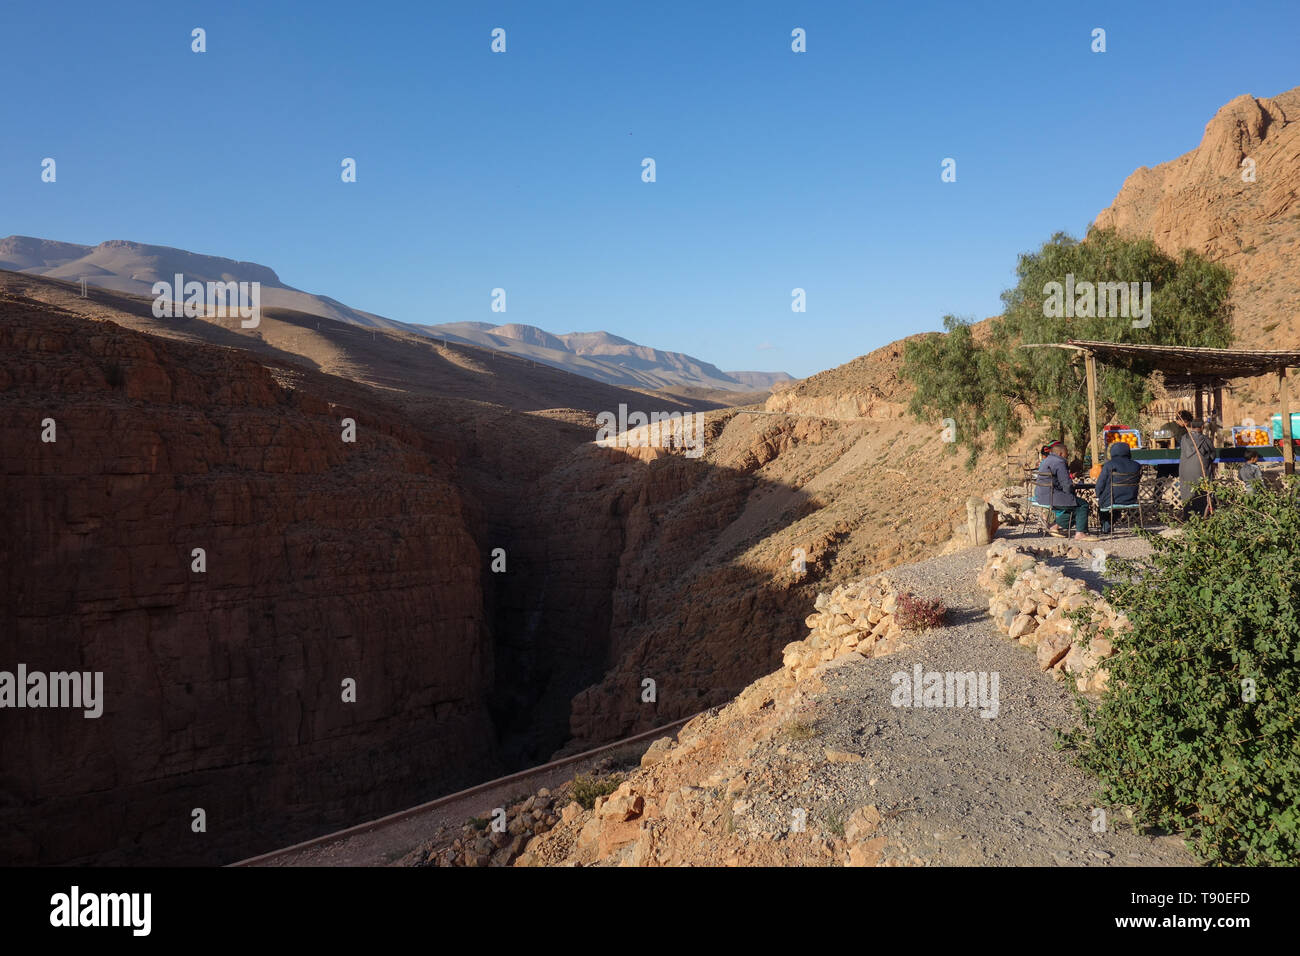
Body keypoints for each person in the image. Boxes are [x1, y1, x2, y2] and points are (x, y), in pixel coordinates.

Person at [1033, 440, 1094, 540]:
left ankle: (1054, 526)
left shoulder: (1047, 460)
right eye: (1067, 452)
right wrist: (1071, 491)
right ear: (1060, 453)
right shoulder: (1060, 462)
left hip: (1041, 495)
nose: (1068, 454)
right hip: (1052, 496)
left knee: (1074, 506)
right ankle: (1080, 533)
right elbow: (1066, 484)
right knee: (1083, 504)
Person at [1095, 441, 1142, 533]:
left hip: (1112, 499)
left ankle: (1106, 525)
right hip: (1131, 499)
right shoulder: (1137, 465)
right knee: (1117, 504)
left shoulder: (1109, 465)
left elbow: (1100, 483)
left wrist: (1098, 494)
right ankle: (1108, 525)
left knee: (1103, 503)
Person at [1179, 418, 1217, 518]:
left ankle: (1188, 516)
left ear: (1191, 427)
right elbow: (1212, 456)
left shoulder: (1184, 438)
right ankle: (1202, 515)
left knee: (1187, 492)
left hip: (1185, 472)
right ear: (1202, 427)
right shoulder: (1205, 440)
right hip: (1201, 471)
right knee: (1202, 493)